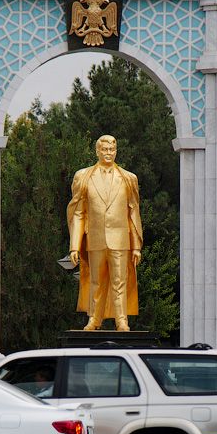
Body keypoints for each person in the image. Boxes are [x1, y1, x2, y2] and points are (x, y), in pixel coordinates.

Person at [67, 135, 143, 332]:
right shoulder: (84, 177)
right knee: (96, 282)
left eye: (112, 150)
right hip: (95, 238)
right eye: (105, 150)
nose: (108, 153)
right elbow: (78, 212)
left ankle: (121, 321)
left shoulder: (128, 178)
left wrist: (136, 247)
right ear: (97, 151)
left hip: (120, 239)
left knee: (120, 282)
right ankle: (94, 319)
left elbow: (133, 213)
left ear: (116, 151)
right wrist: (74, 246)